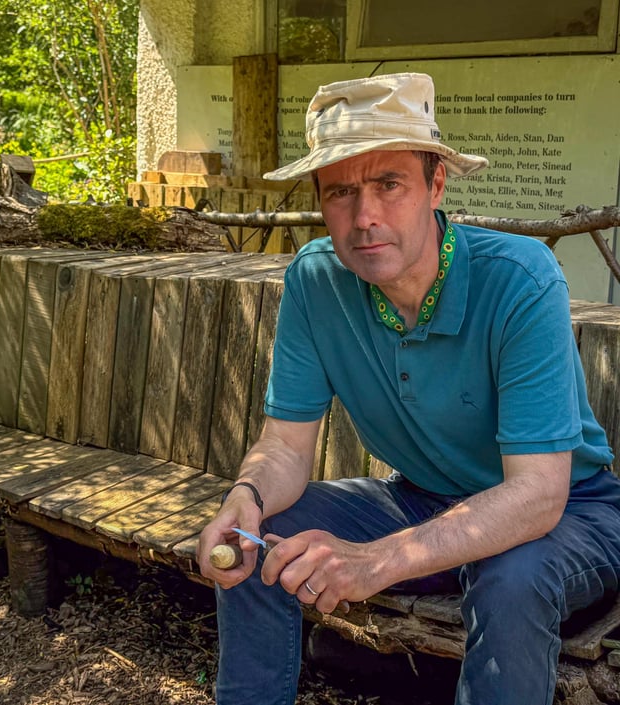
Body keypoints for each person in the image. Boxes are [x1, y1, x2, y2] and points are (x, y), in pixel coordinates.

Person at [196, 72, 620, 705]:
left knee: (509, 579)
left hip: (574, 513)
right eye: (341, 193)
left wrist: (376, 562)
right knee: (259, 537)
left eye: (389, 184)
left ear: (436, 184)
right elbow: (284, 444)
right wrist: (245, 497)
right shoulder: (317, 281)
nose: (364, 218)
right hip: (422, 499)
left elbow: (537, 495)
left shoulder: (520, 279)